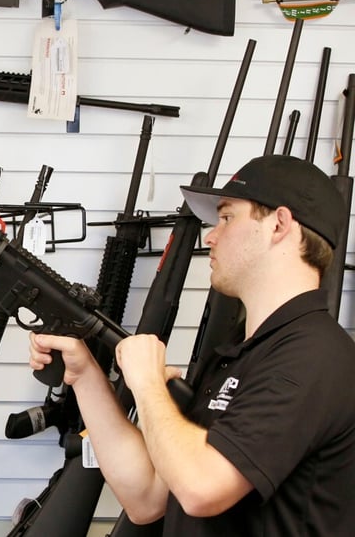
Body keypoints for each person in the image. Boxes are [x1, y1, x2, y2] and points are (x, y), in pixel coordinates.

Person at [28, 154, 355, 536]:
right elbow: (146, 499)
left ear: (279, 225)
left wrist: (149, 385)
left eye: (227, 217)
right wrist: (85, 375)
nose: (211, 235)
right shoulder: (241, 350)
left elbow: (201, 489)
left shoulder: (311, 358)